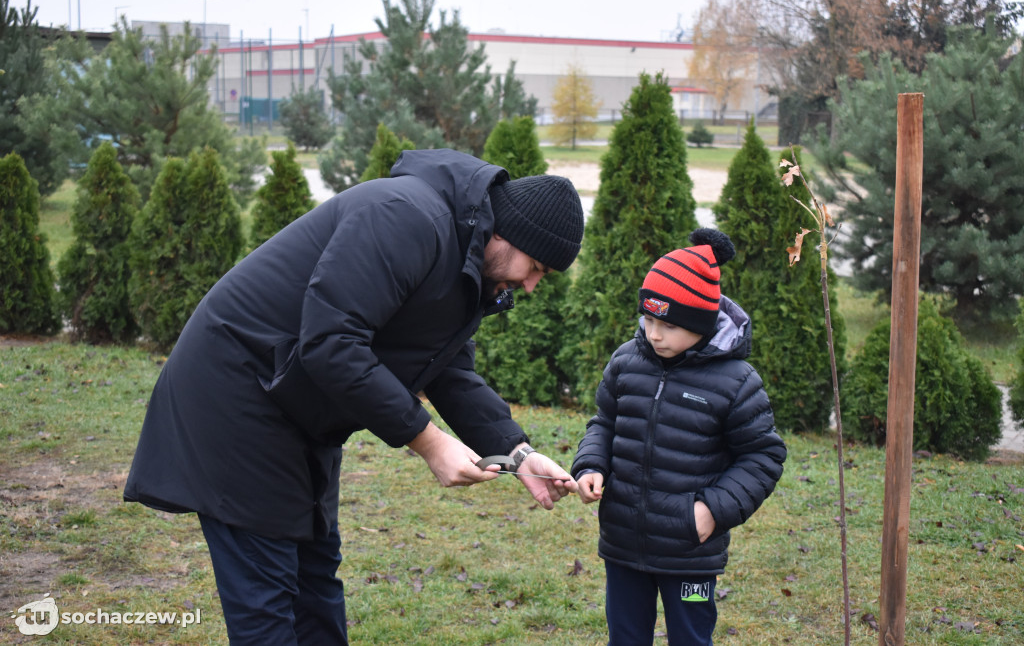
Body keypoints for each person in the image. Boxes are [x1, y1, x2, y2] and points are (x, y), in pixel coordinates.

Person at [123, 149, 584, 644]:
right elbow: (330, 342)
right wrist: (428, 441)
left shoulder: (466, 259)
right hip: (236, 393)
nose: (531, 286)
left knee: (315, 584)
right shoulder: (404, 216)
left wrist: (519, 453)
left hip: (300, 403)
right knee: (269, 601)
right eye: (534, 266)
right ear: (502, 233)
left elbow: (447, 369)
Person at [571, 228, 787, 646]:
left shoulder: (736, 382)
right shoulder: (626, 363)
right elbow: (604, 423)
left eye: (668, 325)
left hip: (690, 550)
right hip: (623, 542)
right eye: (649, 319)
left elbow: (762, 457)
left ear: (701, 324)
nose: (654, 334)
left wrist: (710, 510)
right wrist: (591, 464)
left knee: (690, 637)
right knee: (626, 637)